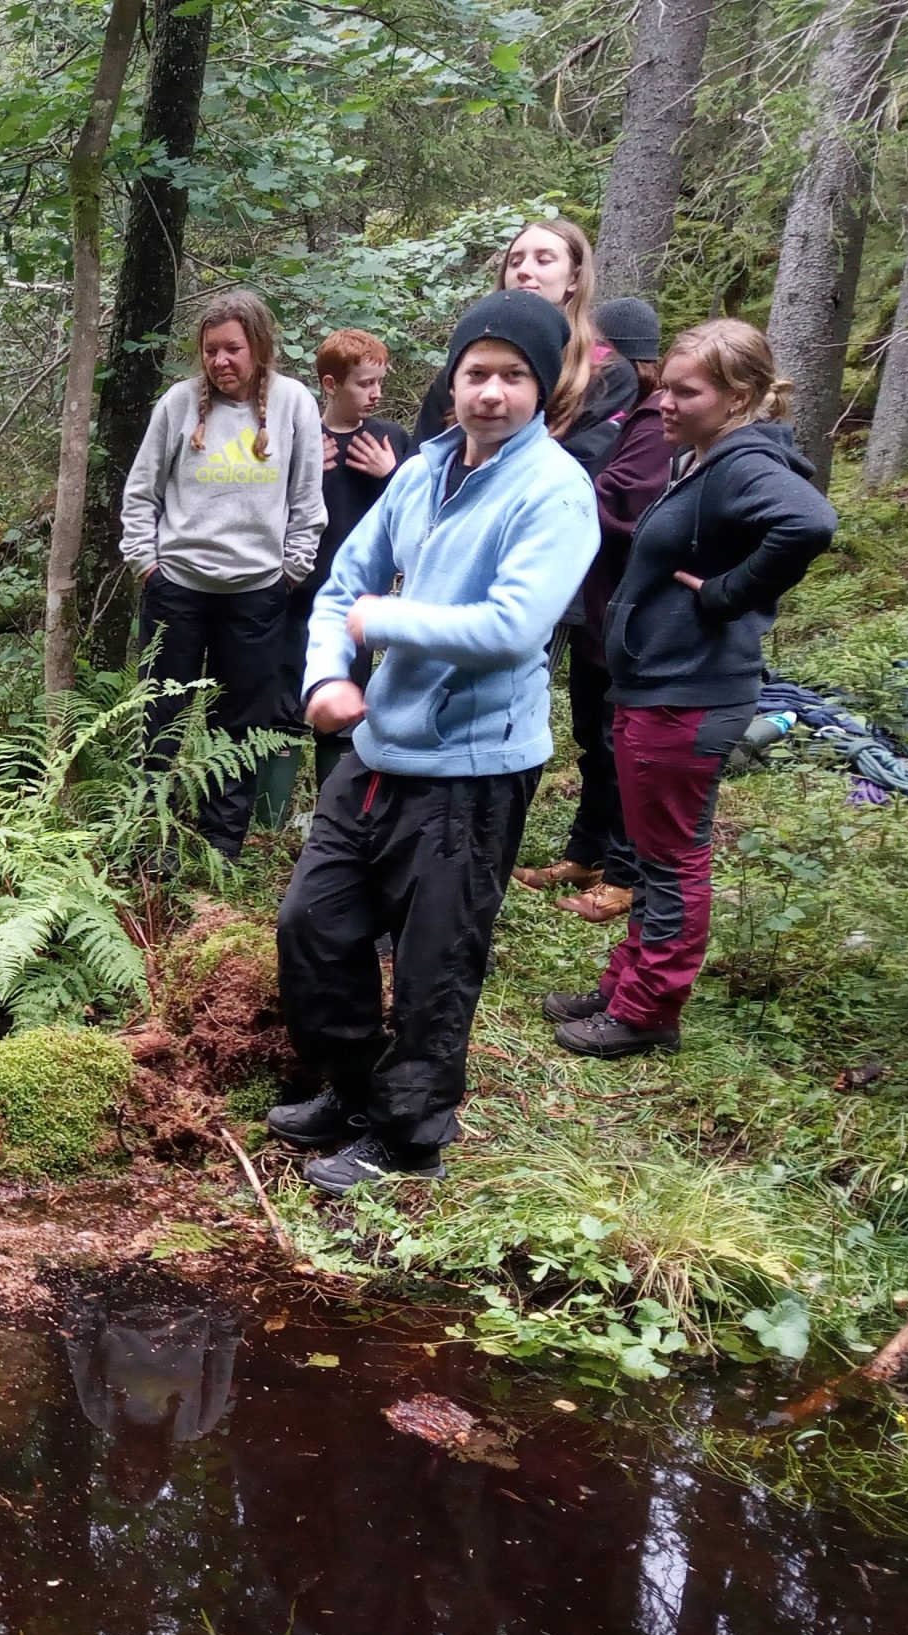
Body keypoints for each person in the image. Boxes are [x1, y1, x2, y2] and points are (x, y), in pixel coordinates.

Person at [271, 290, 599, 1193]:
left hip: (474, 767)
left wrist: (386, 620)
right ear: (452, 383)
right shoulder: (423, 468)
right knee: (314, 925)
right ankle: (351, 1089)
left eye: (512, 377)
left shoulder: (554, 492)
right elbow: (345, 581)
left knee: (435, 959)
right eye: (476, 374)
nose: (491, 393)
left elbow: (511, 628)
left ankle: (411, 1137)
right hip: (381, 749)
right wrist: (329, 675)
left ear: (543, 387)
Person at [547, 320, 837, 1059]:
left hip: (689, 694)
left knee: (672, 859)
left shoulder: (743, 461)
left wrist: (723, 595)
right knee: (652, 853)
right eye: (666, 386)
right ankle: (628, 985)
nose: (666, 402)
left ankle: (648, 1011)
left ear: (739, 396)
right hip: (660, 686)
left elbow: (807, 521)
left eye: (687, 391)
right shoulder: (704, 457)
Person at [119, 289, 327, 861]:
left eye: (232, 349)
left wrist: (292, 570)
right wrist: (147, 564)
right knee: (162, 717)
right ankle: (149, 840)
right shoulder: (178, 405)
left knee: (242, 725)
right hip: (177, 589)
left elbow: (308, 499)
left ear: (258, 347)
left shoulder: (293, 404)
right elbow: (141, 491)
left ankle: (221, 842)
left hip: (257, 593)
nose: (220, 362)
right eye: (211, 351)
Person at [514, 295, 669, 919]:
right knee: (595, 738)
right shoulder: (619, 415)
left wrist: (561, 495)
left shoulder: (653, 421)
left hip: (632, 611)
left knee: (622, 741)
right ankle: (588, 852)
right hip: (595, 605)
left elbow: (622, 503)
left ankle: (627, 872)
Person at [411, 219, 638, 477]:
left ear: (574, 277)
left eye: (543, 260)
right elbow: (423, 455)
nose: (524, 271)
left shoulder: (608, 375)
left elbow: (580, 470)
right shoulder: (470, 361)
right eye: (515, 262)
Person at [295, 328, 416, 787]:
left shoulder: (390, 440)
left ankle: (332, 804)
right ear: (330, 384)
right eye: (365, 383)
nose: (376, 394)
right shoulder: (301, 435)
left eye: (380, 382)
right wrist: (300, 463)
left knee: (347, 707)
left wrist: (392, 475)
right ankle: (272, 819)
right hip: (295, 591)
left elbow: (421, 515)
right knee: (284, 708)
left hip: (358, 601)